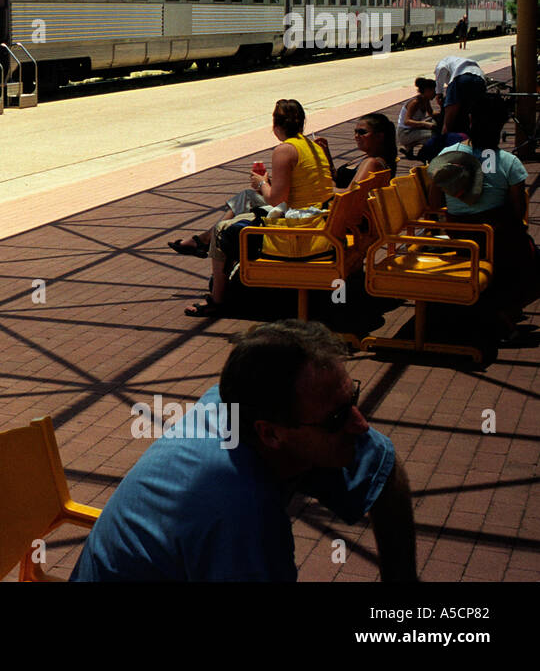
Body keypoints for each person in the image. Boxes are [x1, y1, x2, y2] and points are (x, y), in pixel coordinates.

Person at [71, 320, 417, 582]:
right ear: (269, 434)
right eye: (339, 417)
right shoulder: (239, 508)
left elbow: (384, 472)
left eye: (352, 399)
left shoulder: (234, 402)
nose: (360, 424)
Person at [171, 99, 333, 317]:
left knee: (223, 230)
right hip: (318, 220)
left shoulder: (284, 150)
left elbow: (276, 199)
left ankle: (217, 299)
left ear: (275, 125)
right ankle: (203, 244)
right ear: (302, 122)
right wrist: (265, 185)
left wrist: (261, 183)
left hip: (297, 233)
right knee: (246, 202)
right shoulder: (312, 145)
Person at [427, 95, 536, 342]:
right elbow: (518, 211)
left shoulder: (447, 154)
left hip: (458, 234)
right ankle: (502, 312)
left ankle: (498, 311)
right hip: (494, 234)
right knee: (522, 251)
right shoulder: (509, 163)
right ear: (501, 126)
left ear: (470, 119)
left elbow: (434, 204)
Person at [332, 112, 397, 189]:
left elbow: (351, 193)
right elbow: (340, 178)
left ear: (379, 136)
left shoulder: (372, 162)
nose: (356, 136)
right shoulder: (369, 156)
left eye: (362, 132)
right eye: (355, 132)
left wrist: (326, 188)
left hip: (339, 199)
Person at [434, 54, 486, 135]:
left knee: (449, 116)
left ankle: (444, 138)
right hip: (480, 78)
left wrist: (438, 93)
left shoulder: (443, 62)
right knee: (475, 112)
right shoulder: (457, 61)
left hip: (461, 77)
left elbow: (441, 70)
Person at [396, 77, 439, 155]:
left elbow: (431, 113)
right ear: (427, 91)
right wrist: (425, 124)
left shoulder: (426, 100)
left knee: (436, 124)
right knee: (433, 136)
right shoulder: (415, 103)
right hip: (405, 132)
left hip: (413, 129)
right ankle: (422, 153)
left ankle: (410, 146)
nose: (436, 93)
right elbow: (407, 121)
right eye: (434, 91)